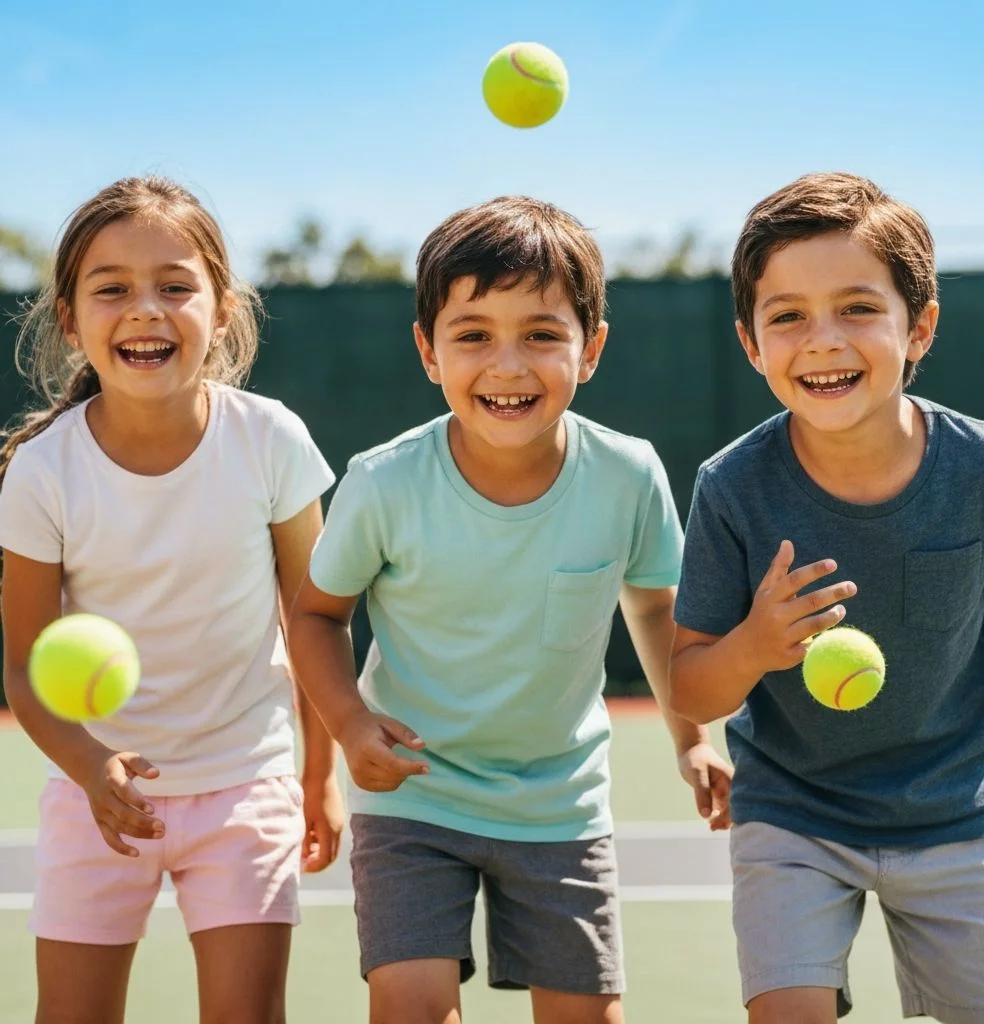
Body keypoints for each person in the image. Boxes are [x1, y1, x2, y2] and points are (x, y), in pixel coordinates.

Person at [288, 195, 732, 1024]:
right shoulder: (383, 482)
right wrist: (350, 725)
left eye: (541, 333)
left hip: (558, 802)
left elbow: (654, 607)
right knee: (410, 1006)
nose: (507, 364)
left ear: (590, 348)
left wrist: (693, 739)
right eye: (473, 335)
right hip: (414, 797)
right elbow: (315, 616)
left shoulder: (628, 475)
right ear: (428, 351)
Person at [669, 171, 984, 1024]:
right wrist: (754, 644)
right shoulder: (732, 486)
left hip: (958, 813)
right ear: (751, 344)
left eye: (858, 308)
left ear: (920, 327)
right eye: (787, 315)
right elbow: (691, 688)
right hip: (793, 815)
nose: (822, 340)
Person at [0, 176, 343, 1024]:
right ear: (71, 320)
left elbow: (314, 621)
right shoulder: (43, 471)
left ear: (222, 309)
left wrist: (318, 773)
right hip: (93, 796)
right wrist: (88, 768)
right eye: (112, 288)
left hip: (246, 785)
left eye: (175, 286)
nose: (146, 309)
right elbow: (21, 661)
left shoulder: (270, 439)